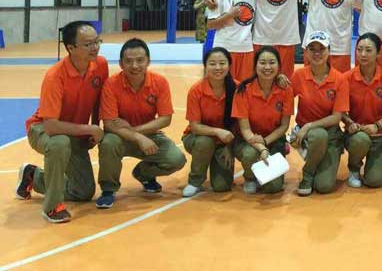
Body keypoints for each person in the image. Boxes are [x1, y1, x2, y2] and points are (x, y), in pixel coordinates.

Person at [17, 21, 108, 223]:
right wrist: (90, 128)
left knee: (83, 191)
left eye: (97, 41)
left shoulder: (100, 65)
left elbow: (97, 98)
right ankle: (52, 207)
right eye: (88, 44)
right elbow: (51, 126)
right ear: (70, 48)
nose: (95, 47)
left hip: (73, 131)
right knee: (59, 143)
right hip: (43, 129)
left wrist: (95, 125)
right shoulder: (55, 76)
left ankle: (33, 176)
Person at [95, 39, 186, 209]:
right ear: (121, 64)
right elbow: (109, 124)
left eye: (140, 60)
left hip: (148, 135)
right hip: (119, 136)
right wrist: (137, 136)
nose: (134, 65)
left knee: (176, 159)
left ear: (148, 61)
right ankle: (108, 189)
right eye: (128, 61)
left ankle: (143, 173)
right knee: (108, 142)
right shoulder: (111, 85)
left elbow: (166, 118)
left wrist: (136, 132)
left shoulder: (160, 82)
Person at [289, 31, 349, 196]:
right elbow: (284, 100)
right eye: (312, 49)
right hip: (309, 136)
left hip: (330, 133)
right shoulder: (299, 75)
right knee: (318, 135)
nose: (317, 53)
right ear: (306, 52)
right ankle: (308, 176)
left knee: (324, 186)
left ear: (329, 51)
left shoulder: (339, 79)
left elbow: (337, 117)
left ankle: (320, 160)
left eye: (321, 49)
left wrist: (308, 126)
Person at [232, 46, 294, 195]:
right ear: (255, 66)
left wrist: (266, 142)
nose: (267, 67)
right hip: (248, 139)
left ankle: (279, 150)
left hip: (273, 138)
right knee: (249, 154)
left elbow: (284, 126)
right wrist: (262, 148)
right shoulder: (243, 90)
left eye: (272, 62)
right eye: (262, 63)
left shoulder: (285, 89)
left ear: (279, 66)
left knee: (273, 188)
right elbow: (245, 129)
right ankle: (250, 177)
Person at [342, 33, 382, 188]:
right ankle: (354, 168)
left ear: (378, 53)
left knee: (374, 181)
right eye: (359, 49)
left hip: (380, 135)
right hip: (357, 134)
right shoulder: (346, 78)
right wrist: (349, 123)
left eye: (368, 50)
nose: (363, 54)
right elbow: (340, 110)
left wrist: (377, 126)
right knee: (361, 140)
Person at [181, 47, 237, 198]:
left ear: (229, 66)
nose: (218, 68)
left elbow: (239, 123)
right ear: (205, 66)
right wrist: (217, 131)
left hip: (224, 143)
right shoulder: (196, 90)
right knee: (205, 143)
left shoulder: (237, 88)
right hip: (198, 137)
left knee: (222, 187)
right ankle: (195, 181)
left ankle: (215, 160)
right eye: (212, 64)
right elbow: (195, 126)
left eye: (222, 63)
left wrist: (229, 148)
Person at [207, 0, 256, 82]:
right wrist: (229, 15)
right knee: (226, 88)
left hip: (246, 49)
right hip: (225, 49)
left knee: (245, 88)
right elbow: (210, 25)